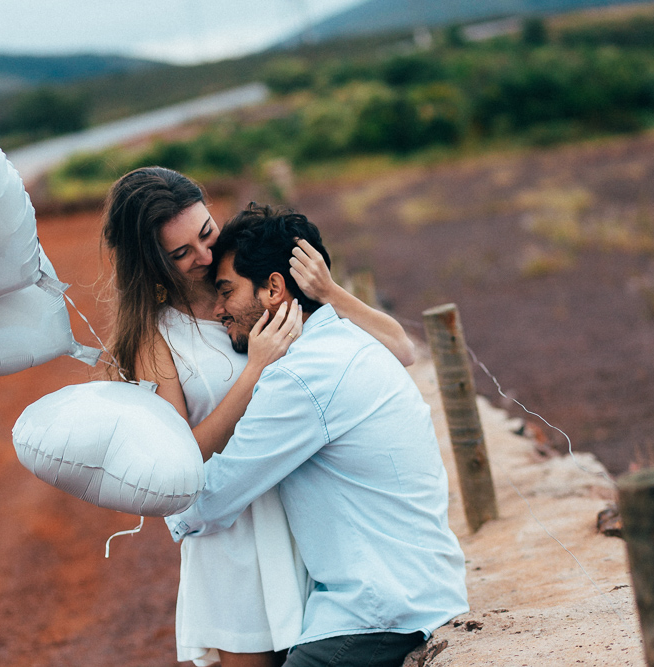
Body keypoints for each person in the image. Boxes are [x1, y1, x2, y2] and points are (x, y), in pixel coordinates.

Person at [101, 168, 416, 667]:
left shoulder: (256, 285)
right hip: (233, 539)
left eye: (206, 234)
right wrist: (255, 372)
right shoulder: (155, 337)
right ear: (151, 260)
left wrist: (329, 292)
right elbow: (177, 460)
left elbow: (401, 349)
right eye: (181, 254)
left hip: (309, 524)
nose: (203, 257)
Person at [167, 203, 469, 667]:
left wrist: (159, 502)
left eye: (226, 291)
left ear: (273, 288)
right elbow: (404, 348)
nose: (219, 308)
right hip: (416, 589)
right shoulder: (349, 339)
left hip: (377, 614)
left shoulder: (302, 379)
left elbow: (213, 498)